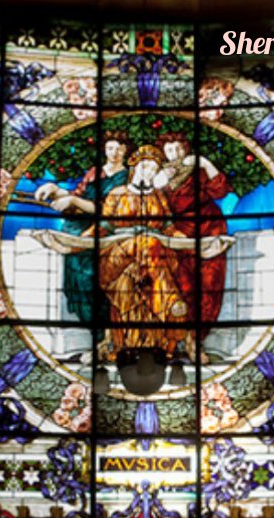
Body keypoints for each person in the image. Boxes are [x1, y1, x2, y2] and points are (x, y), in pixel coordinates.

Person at [97, 144, 189, 359]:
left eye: (153, 169)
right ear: (134, 167)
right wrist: (74, 243)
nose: (148, 172)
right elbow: (102, 228)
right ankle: (171, 302)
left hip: (153, 259)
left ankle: (152, 344)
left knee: (132, 282)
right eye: (145, 166)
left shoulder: (158, 196)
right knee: (148, 243)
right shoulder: (117, 194)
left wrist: (189, 241)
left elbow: (169, 229)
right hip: (118, 255)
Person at [35, 131, 133, 327]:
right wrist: (55, 189)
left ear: (125, 151)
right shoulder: (96, 171)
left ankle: (102, 329)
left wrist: (73, 200)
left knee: (92, 280)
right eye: (110, 148)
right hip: (76, 227)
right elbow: (78, 194)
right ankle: (89, 327)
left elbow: (109, 210)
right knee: (76, 281)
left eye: (119, 149)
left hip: (104, 231)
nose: (114, 153)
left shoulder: (128, 177)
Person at [155, 132, 232, 356]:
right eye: (170, 149)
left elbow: (220, 191)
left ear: (186, 149)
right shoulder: (159, 177)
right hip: (178, 237)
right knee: (181, 288)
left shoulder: (198, 171)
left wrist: (205, 163)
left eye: (179, 148)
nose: (175, 153)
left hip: (208, 230)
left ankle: (197, 341)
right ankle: (178, 339)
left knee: (209, 286)